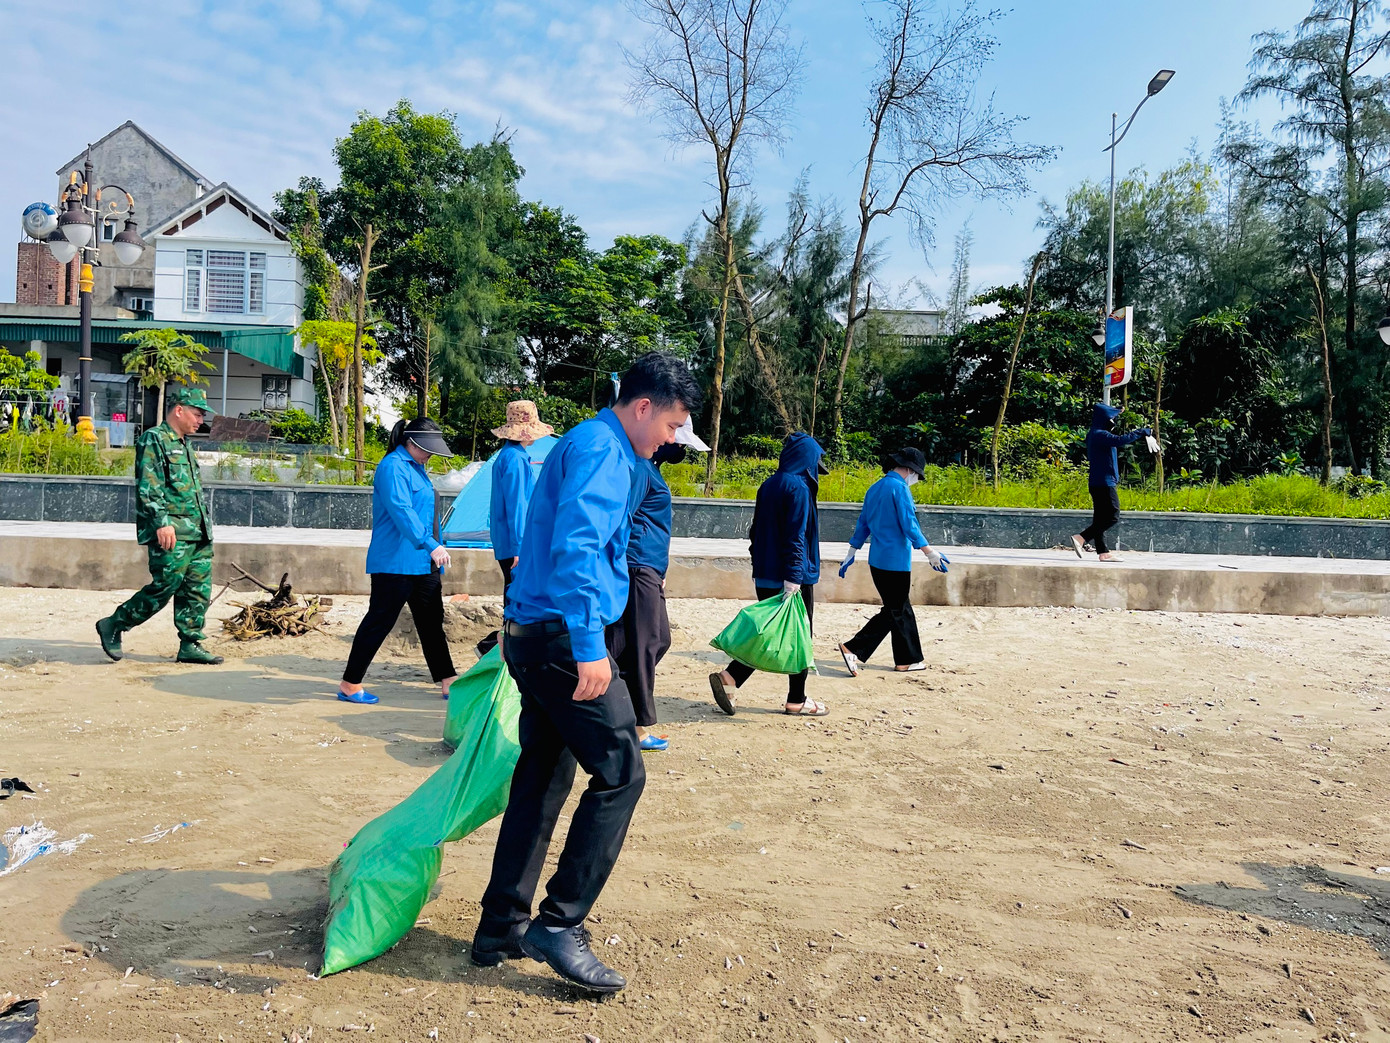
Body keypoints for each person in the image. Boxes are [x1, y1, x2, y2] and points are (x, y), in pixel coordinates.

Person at [470, 352, 702, 994]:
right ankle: (560, 922)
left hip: (535, 632)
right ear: (644, 407)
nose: (670, 440)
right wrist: (588, 645)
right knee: (622, 772)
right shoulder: (603, 450)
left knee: (544, 776)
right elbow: (576, 548)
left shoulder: (596, 442)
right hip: (562, 639)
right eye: (671, 425)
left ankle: (500, 928)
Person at [95, 386, 223, 666]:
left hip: (197, 532)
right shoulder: (155, 439)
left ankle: (190, 644)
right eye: (197, 413)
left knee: (197, 589)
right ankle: (114, 623)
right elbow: (149, 488)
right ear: (179, 410)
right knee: (166, 585)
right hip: (172, 532)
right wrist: (162, 524)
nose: (201, 420)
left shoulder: (184, 444)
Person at [336, 418, 459, 705]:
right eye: (427, 448)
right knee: (379, 621)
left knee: (431, 621)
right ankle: (350, 683)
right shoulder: (392, 467)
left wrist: (435, 546)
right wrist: (430, 544)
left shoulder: (418, 468)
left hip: (422, 561)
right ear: (411, 443)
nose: (431, 454)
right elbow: (402, 511)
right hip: (395, 562)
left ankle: (448, 679)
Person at [708, 432, 829, 718]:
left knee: (770, 632)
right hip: (791, 575)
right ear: (808, 461)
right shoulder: (798, 488)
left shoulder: (770, 484)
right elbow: (796, 537)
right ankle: (797, 700)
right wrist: (794, 578)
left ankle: (731, 678)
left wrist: (760, 562)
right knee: (799, 636)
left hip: (765, 573)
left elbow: (755, 531)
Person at [611, 417, 709, 753]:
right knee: (644, 645)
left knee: (648, 642)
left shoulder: (650, 467)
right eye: (677, 437)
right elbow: (623, 516)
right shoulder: (640, 468)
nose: (680, 447)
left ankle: (615, 711)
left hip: (646, 568)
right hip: (637, 568)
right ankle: (635, 727)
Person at [836, 447, 949, 676]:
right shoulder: (899, 489)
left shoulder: (875, 488)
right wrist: (929, 552)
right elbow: (909, 525)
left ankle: (907, 660)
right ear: (909, 469)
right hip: (895, 561)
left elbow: (863, 523)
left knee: (899, 608)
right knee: (895, 609)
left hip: (877, 560)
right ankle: (854, 648)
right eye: (917, 474)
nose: (916, 478)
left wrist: (852, 550)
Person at [478, 400, 554, 656]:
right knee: (518, 602)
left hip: (508, 542)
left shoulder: (509, 457)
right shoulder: (515, 459)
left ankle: (495, 650)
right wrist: (521, 549)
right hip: (515, 545)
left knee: (515, 600)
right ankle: (493, 649)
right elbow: (517, 506)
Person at [1071, 403, 1152, 563]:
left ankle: (1103, 552)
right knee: (1112, 516)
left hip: (1096, 482)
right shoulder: (1101, 434)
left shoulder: (1093, 433)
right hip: (1104, 482)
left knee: (1100, 518)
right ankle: (1081, 538)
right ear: (1104, 419)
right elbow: (1121, 440)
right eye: (1112, 418)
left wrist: (1118, 410)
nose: (1113, 422)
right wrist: (1143, 431)